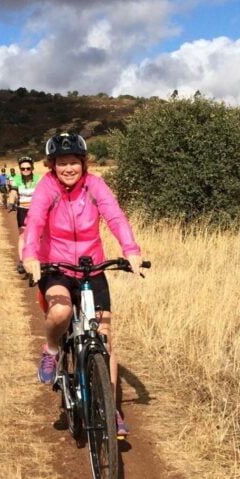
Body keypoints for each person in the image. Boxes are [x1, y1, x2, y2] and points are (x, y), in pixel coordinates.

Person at [22, 132, 142, 437]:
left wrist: (131, 250)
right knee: (61, 313)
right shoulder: (46, 187)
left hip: (91, 267)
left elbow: (115, 217)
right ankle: (51, 349)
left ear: (83, 163)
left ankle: (111, 410)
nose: (68, 168)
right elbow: (34, 220)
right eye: (61, 163)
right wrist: (31, 255)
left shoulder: (96, 185)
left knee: (104, 337)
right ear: (52, 165)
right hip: (56, 266)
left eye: (73, 162)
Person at [8, 155, 40, 274]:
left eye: (28, 168)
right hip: (22, 210)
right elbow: (13, 192)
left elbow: (44, 193)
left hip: (37, 210)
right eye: (23, 169)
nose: (25, 171)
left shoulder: (38, 179)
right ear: (20, 169)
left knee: (40, 235)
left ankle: (41, 257)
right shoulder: (16, 179)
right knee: (22, 236)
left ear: (32, 168)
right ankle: (22, 261)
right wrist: (11, 203)